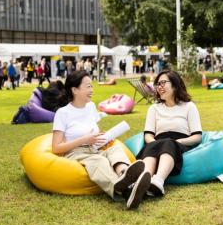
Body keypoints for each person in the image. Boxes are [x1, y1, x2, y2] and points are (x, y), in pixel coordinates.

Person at [52, 71, 151, 209]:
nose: (91, 90)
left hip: (95, 147)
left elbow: (94, 129)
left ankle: (125, 174)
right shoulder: (63, 113)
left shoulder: (91, 106)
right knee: (100, 161)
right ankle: (126, 190)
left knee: (115, 149)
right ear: (74, 90)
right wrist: (84, 139)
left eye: (91, 86)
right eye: (87, 86)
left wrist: (102, 136)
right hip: (76, 152)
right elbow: (56, 147)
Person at [137, 70, 202, 197]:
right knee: (154, 145)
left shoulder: (189, 107)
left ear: (175, 85)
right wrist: (155, 143)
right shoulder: (154, 108)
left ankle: (158, 181)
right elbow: (148, 135)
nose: (159, 87)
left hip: (180, 143)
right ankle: (144, 181)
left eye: (163, 83)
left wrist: (177, 142)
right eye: (157, 84)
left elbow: (197, 136)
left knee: (168, 143)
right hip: (157, 142)